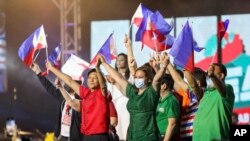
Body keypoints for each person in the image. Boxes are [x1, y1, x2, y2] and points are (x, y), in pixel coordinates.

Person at [100, 53, 169, 141]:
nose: (137, 79)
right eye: (135, 77)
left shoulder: (151, 92)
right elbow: (119, 78)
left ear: (148, 79)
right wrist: (104, 62)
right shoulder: (133, 92)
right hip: (132, 135)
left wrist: (164, 66)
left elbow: (157, 79)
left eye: (140, 77)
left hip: (148, 136)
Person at [46, 58, 110, 141]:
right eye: (89, 77)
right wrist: (52, 69)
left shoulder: (102, 94)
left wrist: (97, 69)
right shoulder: (86, 94)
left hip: (100, 137)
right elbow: (70, 82)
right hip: (86, 136)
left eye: (95, 78)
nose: (91, 80)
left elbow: (103, 85)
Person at [30, 63, 82, 141]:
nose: (65, 82)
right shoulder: (63, 96)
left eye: (67, 81)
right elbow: (49, 87)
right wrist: (38, 71)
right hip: (61, 137)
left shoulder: (82, 100)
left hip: (75, 138)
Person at [192, 63, 235, 141]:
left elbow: (220, 87)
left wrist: (213, 76)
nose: (208, 75)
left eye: (212, 71)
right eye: (208, 73)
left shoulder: (228, 88)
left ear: (221, 76)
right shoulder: (205, 93)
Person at [156, 74, 180, 141]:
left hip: (165, 137)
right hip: (158, 136)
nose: (155, 85)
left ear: (164, 86)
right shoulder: (159, 99)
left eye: (158, 83)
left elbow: (172, 124)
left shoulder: (171, 101)